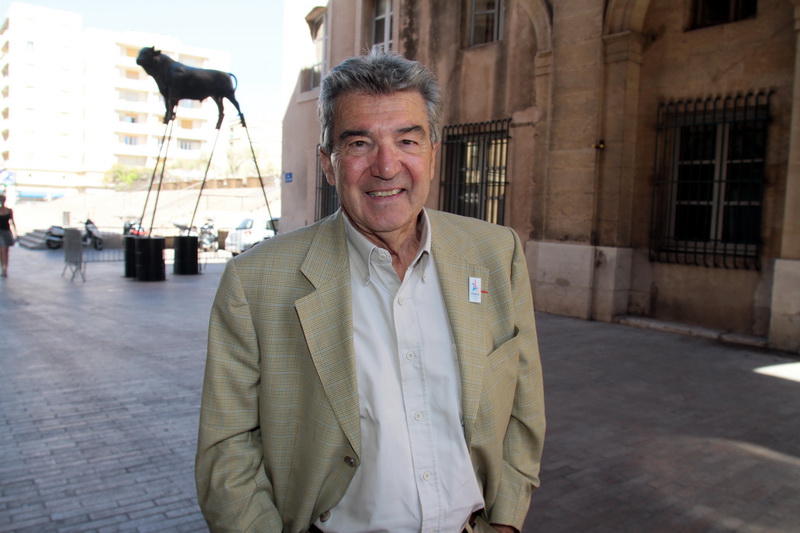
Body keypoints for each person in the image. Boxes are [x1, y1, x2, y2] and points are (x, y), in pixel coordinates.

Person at [196, 52, 545, 533]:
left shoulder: (495, 252)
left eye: (407, 140)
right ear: (328, 163)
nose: (387, 166)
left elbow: (524, 408)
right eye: (360, 142)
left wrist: (505, 521)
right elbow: (227, 451)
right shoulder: (254, 282)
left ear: (432, 153)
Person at [0, 193, 17, 277]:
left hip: (7, 232)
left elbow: (12, 222)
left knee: (6, 251)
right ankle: (3, 268)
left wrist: (15, 232)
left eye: (2, 200)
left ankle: (5, 267)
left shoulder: (9, 210)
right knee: (2, 250)